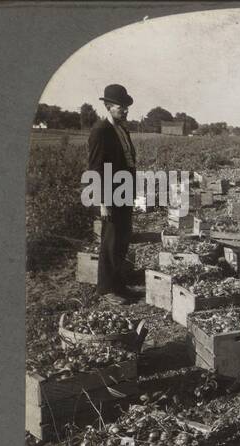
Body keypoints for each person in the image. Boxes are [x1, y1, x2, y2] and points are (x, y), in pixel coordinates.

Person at [87, 83, 139, 304]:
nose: (125, 110)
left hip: (124, 191)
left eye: (127, 106)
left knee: (122, 240)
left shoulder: (122, 129)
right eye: (121, 106)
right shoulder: (101, 131)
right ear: (108, 106)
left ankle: (119, 285)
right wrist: (102, 202)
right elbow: (96, 168)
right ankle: (105, 290)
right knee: (110, 241)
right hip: (110, 195)